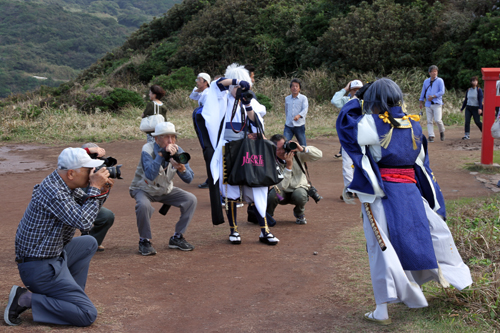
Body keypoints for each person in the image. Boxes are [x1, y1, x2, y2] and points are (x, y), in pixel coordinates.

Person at [336, 78, 472, 325]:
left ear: (373, 101)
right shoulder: (414, 126)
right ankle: (417, 289)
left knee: (381, 249)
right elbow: (422, 164)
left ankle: (382, 310)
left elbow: (345, 126)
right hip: (411, 194)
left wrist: (356, 99)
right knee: (414, 240)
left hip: (383, 195)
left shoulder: (371, 124)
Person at [5, 148, 110, 327]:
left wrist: (101, 191)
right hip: (39, 268)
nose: (92, 174)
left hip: (52, 257)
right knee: (86, 314)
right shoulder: (54, 191)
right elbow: (84, 222)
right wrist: (94, 188)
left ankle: (66, 298)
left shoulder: (63, 184)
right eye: (88, 170)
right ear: (71, 173)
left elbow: (86, 206)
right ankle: (25, 299)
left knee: (88, 243)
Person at [201, 63, 279, 245]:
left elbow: (257, 124)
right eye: (235, 86)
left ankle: (264, 230)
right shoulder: (222, 99)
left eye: (241, 86)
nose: (238, 89)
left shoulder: (250, 101)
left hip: (249, 151)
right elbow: (217, 85)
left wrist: (248, 105)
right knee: (231, 190)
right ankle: (234, 230)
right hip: (227, 150)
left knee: (258, 187)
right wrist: (236, 81)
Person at [129, 122, 197, 255]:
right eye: (166, 137)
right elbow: (150, 175)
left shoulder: (179, 150)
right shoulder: (147, 149)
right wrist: (161, 156)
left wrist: (182, 169)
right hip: (143, 188)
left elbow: (189, 179)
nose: (170, 141)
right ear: (156, 139)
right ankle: (144, 241)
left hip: (165, 190)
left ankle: (177, 237)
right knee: (143, 205)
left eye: (173, 137)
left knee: (191, 199)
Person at [267, 134, 323, 225]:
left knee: (300, 195)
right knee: (274, 194)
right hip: (282, 196)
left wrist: (302, 149)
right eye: (278, 149)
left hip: (298, 189)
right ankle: (268, 216)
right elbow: (282, 186)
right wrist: (288, 167)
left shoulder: (296, 154)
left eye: (283, 148)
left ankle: (299, 214)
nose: (281, 151)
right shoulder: (271, 161)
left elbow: (319, 155)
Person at [331, 80, 363, 200]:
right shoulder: (346, 101)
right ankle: (349, 189)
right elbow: (335, 101)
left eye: (359, 89)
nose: (357, 92)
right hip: (347, 137)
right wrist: (345, 89)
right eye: (354, 89)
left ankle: (360, 188)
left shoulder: (365, 102)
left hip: (362, 138)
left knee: (361, 163)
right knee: (347, 164)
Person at [81, 143, 116, 252]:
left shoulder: (98, 175)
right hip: (69, 207)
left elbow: (97, 205)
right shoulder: (75, 172)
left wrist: (103, 190)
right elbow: (80, 202)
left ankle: (92, 242)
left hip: (85, 207)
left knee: (107, 216)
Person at [190, 73, 211, 189]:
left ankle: (211, 178)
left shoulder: (208, 93)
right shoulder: (204, 92)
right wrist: (198, 88)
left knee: (208, 150)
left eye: (199, 80)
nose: (197, 81)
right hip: (202, 123)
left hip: (205, 125)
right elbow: (192, 96)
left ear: (206, 82)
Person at [419, 65, 446, 142]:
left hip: (437, 103)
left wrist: (434, 96)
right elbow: (423, 91)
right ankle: (431, 136)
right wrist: (421, 101)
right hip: (428, 104)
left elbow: (442, 91)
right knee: (429, 121)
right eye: (433, 71)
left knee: (438, 120)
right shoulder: (426, 81)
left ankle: (442, 131)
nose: (434, 73)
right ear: (429, 73)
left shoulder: (440, 80)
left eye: (436, 71)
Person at [284, 78, 309, 146]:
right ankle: (288, 156)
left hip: (299, 125)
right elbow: (286, 110)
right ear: (290, 88)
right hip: (288, 125)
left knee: (303, 145)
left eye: (296, 86)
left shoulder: (303, 98)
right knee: (285, 144)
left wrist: (299, 115)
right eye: (293, 86)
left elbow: (305, 109)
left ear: (299, 88)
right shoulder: (287, 98)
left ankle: (303, 156)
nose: (294, 88)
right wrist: (288, 119)